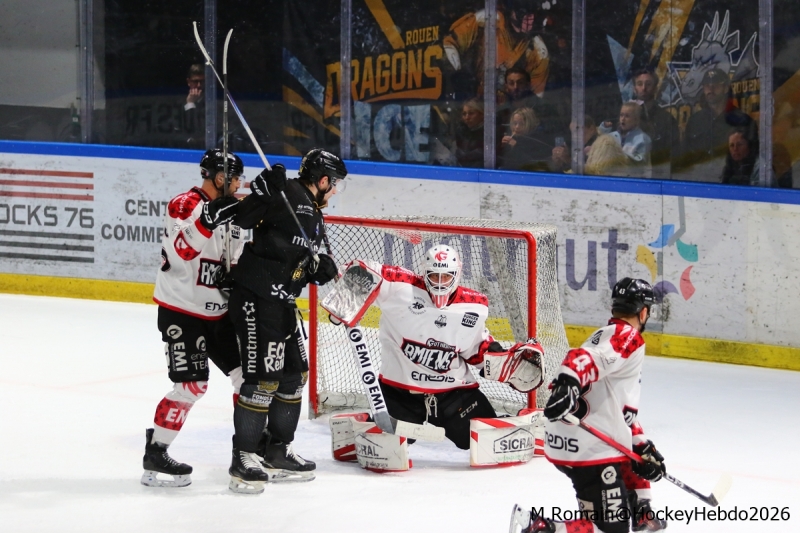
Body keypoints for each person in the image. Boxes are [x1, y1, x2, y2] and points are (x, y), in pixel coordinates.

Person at [225, 148, 347, 492]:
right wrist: (262, 190)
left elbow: (294, 258)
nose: (335, 191)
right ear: (322, 180)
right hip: (256, 298)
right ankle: (244, 456)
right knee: (263, 381)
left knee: (293, 376)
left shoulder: (314, 214)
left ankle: (277, 450)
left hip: (281, 303)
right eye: (334, 184)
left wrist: (315, 268)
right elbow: (242, 220)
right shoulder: (284, 192)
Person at [346, 245, 544, 451]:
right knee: (388, 445)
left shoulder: (473, 306)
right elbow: (363, 268)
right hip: (400, 392)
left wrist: (501, 363)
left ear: (457, 274)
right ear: (425, 273)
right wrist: (345, 291)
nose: (440, 283)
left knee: (485, 441)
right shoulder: (400, 287)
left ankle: (520, 423)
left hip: (452, 394)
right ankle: (363, 424)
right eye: (434, 276)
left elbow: (475, 349)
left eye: (446, 276)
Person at [517, 278, 667, 533]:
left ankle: (643, 510)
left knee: (632, 457)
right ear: (643, 312)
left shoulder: (605, 335)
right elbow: (580, 357)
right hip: (588, 450)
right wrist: (568, 383)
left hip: (570, 441)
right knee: (611, 529)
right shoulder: (626, 336)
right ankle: (543, 528)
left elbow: (621, 412)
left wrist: (642, 445)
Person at [142, 149, 245, 488]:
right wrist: (208, 219)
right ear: (220, 178)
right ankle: (156, 452)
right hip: (182, 311)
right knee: (191, 385)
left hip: (218, 312)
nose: (239, 184)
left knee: (248, 380)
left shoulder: (233, 209)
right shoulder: (185, 205)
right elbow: (183, 250)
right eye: (235, 178)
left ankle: (246, 452)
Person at [676, 68, 756, 183]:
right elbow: (684, 158)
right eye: (707, 85)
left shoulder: (743, 121)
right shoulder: (695, 121)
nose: (710, 89)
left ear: (725, 88)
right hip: (698, 183)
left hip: (731, 185)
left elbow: (750, 161)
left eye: (716, 85)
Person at [631, 69, 680, 179]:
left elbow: (674, 155)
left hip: (658, 177)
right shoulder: (625, 118)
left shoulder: (667, 119)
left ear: (655, 89)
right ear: (634, 89)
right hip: (630, 177)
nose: (644, 88)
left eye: (648, 84)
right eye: (639, 84)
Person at [598, 102, 652, 178]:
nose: (623, 119)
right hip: (612, 178)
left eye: (627, 116)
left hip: (635, 181)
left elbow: (638, 163)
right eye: (621, 115)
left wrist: (615, 153)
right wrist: (604, 129)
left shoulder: (643, 138)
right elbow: (599, 140)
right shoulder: (612, 136)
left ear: (636, 120)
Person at [454, 98, 485, 168]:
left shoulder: (490, 133)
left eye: (471, 113)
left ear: (482, 114)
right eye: (464, 114)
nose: (467, 117)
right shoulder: (460, 131)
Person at [183, 64, 206, 149]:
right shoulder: (180, 102)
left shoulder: (211, 103)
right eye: (195, 82)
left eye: (202, 81)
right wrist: (190, 103)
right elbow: (189, 129)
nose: (199, 85)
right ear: (189, 82)